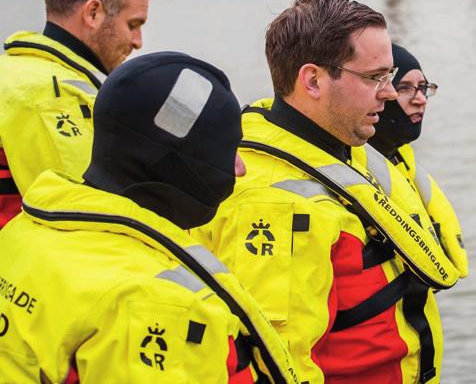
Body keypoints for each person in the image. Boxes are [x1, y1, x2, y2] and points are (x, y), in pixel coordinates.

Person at [193, 0, 459, 384]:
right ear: (313, 80)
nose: (389, 92)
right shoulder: (276, 206)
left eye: (388, 76)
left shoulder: (335, 148)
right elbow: (281, 363)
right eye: (375, 77)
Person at [0, 52, 298, 383]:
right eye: (229, 151)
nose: (240, 169)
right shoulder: (156, 299)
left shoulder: (23, 233)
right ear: (176, 164)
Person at [0, 0, 151, 228]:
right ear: (93, 13)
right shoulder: (48, 94)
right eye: (133, 25)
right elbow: (84, 212)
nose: (137, 41)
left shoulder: (17, 72)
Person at [366, 43, 469, 280]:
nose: (420, 99)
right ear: (381, 92)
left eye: (423, 88)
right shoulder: (352, 169)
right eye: (404, 88)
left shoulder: (399, 158)